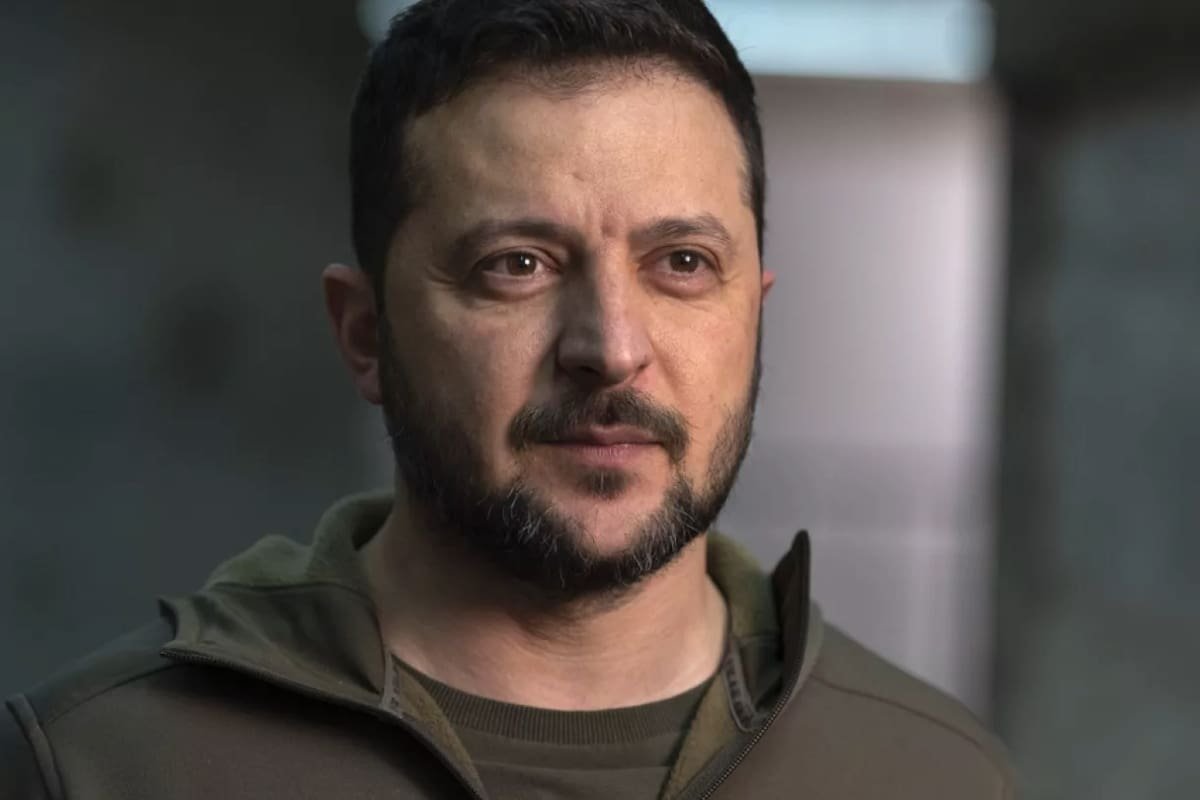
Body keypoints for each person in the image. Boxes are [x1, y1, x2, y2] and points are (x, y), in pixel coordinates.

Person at [1, 1, 1014, 797]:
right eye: (517, 264)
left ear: (754, 313)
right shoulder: (98, 767)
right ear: (365, 334)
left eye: (682, 262)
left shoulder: (936, 778)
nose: (610, 349)